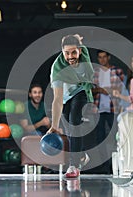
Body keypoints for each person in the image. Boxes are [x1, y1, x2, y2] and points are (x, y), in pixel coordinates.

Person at [47, 34, 93, 178]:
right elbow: (57, 99)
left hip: (81, 91)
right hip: (65, 97)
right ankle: (82, 154)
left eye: (74, 52)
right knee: (70, 130)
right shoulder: (57, 69)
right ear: (62, 52)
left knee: (74, 121)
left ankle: (73, 166)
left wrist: (76, 38)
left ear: (80, 50)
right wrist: (54, 126)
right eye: (66, 53)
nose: (70, 56)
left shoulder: (84, 52)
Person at [92, 50, 124, 174]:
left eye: (104, 57)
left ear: (108, 57)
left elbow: (118, 89)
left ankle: (114, 164)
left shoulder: (117, 71)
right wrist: (103, 89)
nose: (102, 60)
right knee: (99, 138)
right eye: (100, 57)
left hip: (113, 108)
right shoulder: (95, 72)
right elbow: (91, 89)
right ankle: (104, 165)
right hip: (98, 109)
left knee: (114, 136)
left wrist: (102, 89)